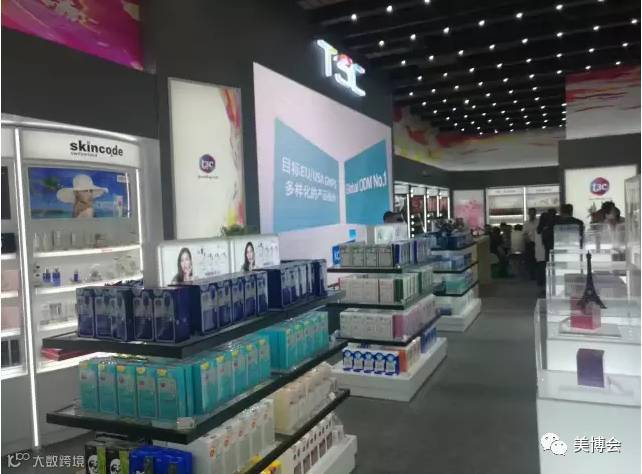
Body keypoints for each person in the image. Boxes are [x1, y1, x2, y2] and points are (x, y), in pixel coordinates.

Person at [523, 208, 538, 279]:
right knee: (530, 259)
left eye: (533, 213)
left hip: (537, 243)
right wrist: (529, 243)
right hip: (529, 243)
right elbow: (524, 234)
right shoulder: (526, 223)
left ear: (535, 213)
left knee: (537, 259)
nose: (532, 214)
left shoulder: (538, 222)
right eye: (530, 213)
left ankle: (537, 274)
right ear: (528, 213)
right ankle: (532, 275)